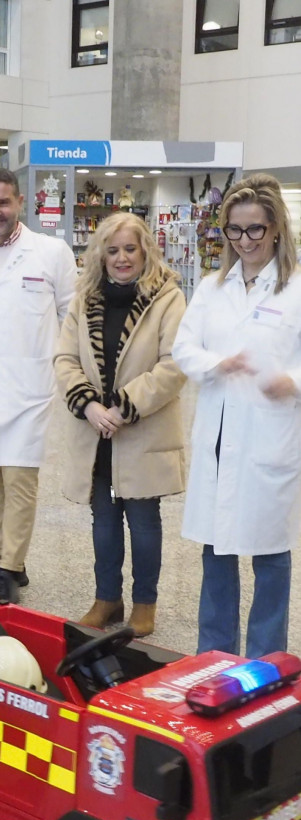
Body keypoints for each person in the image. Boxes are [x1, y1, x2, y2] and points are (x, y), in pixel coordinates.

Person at [172, 173, 301, 659]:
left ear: (274, 231)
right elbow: (183, 348)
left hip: (270, 438)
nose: (244, 241)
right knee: (217, 551)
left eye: (254, 230)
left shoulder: (295, 291)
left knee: (270, 555)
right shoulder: (212, 287)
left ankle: (267, 659)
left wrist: (292, 381)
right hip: (220, 438)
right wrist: (216, 363)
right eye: (234, 230)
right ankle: (214, 656)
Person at [54, 212, 187, 638]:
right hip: (95, 432)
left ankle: (144, 603)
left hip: (141, 430)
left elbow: (174, 365)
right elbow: (65, 360)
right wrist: (89, 405)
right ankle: (107, 598)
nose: (122, 258)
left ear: (145, 249)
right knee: (104, 521)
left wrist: (123, 407)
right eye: (112, 250)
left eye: (130, 248)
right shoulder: (83, 298)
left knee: (145, 522)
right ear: (101, 255)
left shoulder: (168, 298)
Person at [0, 167, 78, 604]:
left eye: (3, 202)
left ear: (19, 203)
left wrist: (68, 374)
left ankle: (7, 566)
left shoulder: (50, 252)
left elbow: (73, 316)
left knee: (19, 476)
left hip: (31, 384)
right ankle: (13, 560)